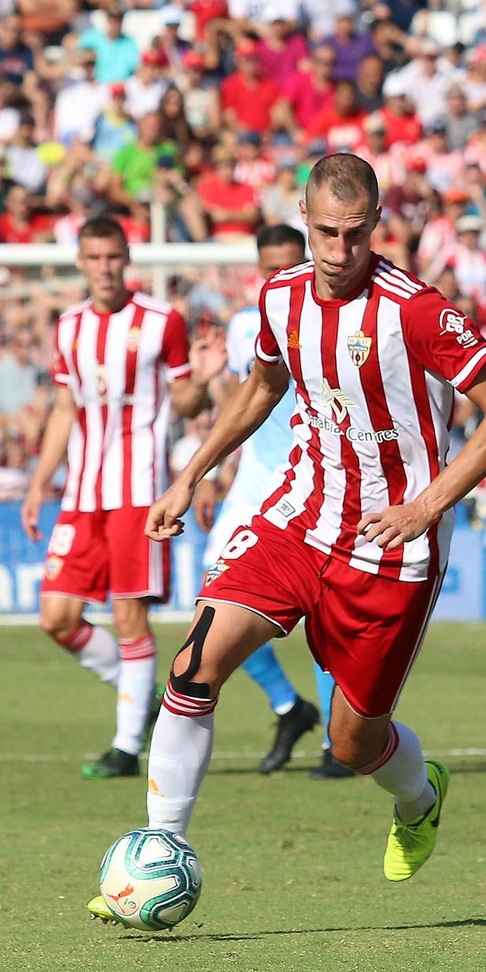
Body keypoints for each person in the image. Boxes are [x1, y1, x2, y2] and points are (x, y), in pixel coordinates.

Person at [88, 155, 486, 925]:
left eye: (355, 233)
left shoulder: (416, 310)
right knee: (193, 667)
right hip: (300, 516)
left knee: (356, 742)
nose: (337, 248)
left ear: (377, 223)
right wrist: (189, 473)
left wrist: (426, 505)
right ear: (302, 215)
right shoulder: (278, 296)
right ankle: (159, 851)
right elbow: (259, 388)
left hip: (392, 549)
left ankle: (420, 799)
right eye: (324, 230)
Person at [21, 216, 215, 781]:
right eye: (94, 257)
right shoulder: (69, 327)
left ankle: (127, 746)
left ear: (126, 258)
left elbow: (182, 401)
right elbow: (65, 409)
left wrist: (200, 380)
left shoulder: (161, 321)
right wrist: (39, 482)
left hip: (139, 493)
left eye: (113, 256)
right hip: (82, 493)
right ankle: (142, 692)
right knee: (56, 617)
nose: (105, 267)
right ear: (80, 262)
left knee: (129, 615)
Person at [198, 224, 349, 780]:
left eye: (293, 264)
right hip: (254, 481)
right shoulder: (244, 326)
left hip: (318, 479)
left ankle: (338, 738)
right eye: (271, 268)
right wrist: (210, 473)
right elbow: (229, 400)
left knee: (324, 613)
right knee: (212, 599)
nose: (283, 276)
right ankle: (290, 707)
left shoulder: (334, 317)